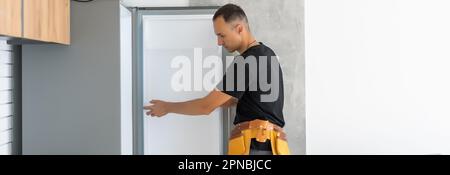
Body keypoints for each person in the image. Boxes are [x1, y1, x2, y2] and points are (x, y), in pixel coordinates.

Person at [143, 3, 290, 155]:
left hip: (256, 146)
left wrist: (167, 107)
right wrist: (218, 99)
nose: (219, 42)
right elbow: (252, 101)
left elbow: (205, 107)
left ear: (239, 29)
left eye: (222, 35)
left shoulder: (246, 61)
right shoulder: (267, 54)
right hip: (273, 145)